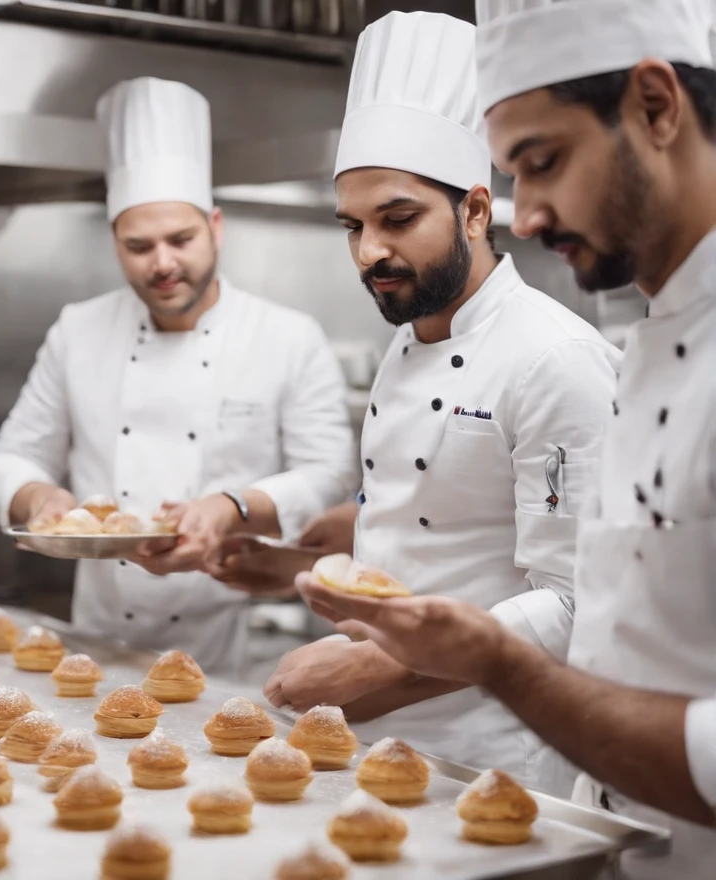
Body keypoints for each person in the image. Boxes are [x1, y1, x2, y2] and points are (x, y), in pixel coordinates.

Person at [301, 0, 716, 875]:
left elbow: (574, 608)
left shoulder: (565, 355)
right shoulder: (654, 349)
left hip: (531, 779)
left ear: (656, 107)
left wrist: (444, 662)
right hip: (616, 830)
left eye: (544, 162)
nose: (525, 216)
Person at [217, 11, 621, 792]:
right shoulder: (407, 341)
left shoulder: (554, 360)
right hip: (374, 746)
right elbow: (432, 540)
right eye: (353, 227)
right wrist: (300, 570)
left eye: (398, 219)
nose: (370, 252)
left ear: (475, 210)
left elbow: (574, 604)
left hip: (496, 763)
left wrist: (372, 663)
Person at [0, 77, 357, 677]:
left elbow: (330, 470)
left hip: (228, 654)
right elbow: (9, 457)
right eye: (139, 245)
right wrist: (41, 499)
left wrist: (233, 507)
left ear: (216, 226)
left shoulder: (286, 335)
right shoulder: (78, 330)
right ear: (115, 243)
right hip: (95, 647)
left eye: (181, 239)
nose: (162, 264)